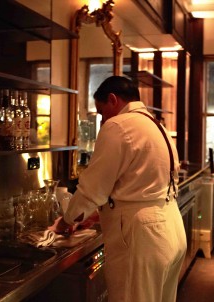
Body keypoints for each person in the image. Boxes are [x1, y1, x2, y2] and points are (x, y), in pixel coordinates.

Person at [50, 76, 187, 302]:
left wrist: (67, 220)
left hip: (142, 237)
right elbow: (139, 186)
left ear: (113, 100)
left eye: (102, 112)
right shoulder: (157, 126)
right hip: (171, 226)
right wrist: (94, 215)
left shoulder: (118, 125)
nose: (103, 120)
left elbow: (91, 189)